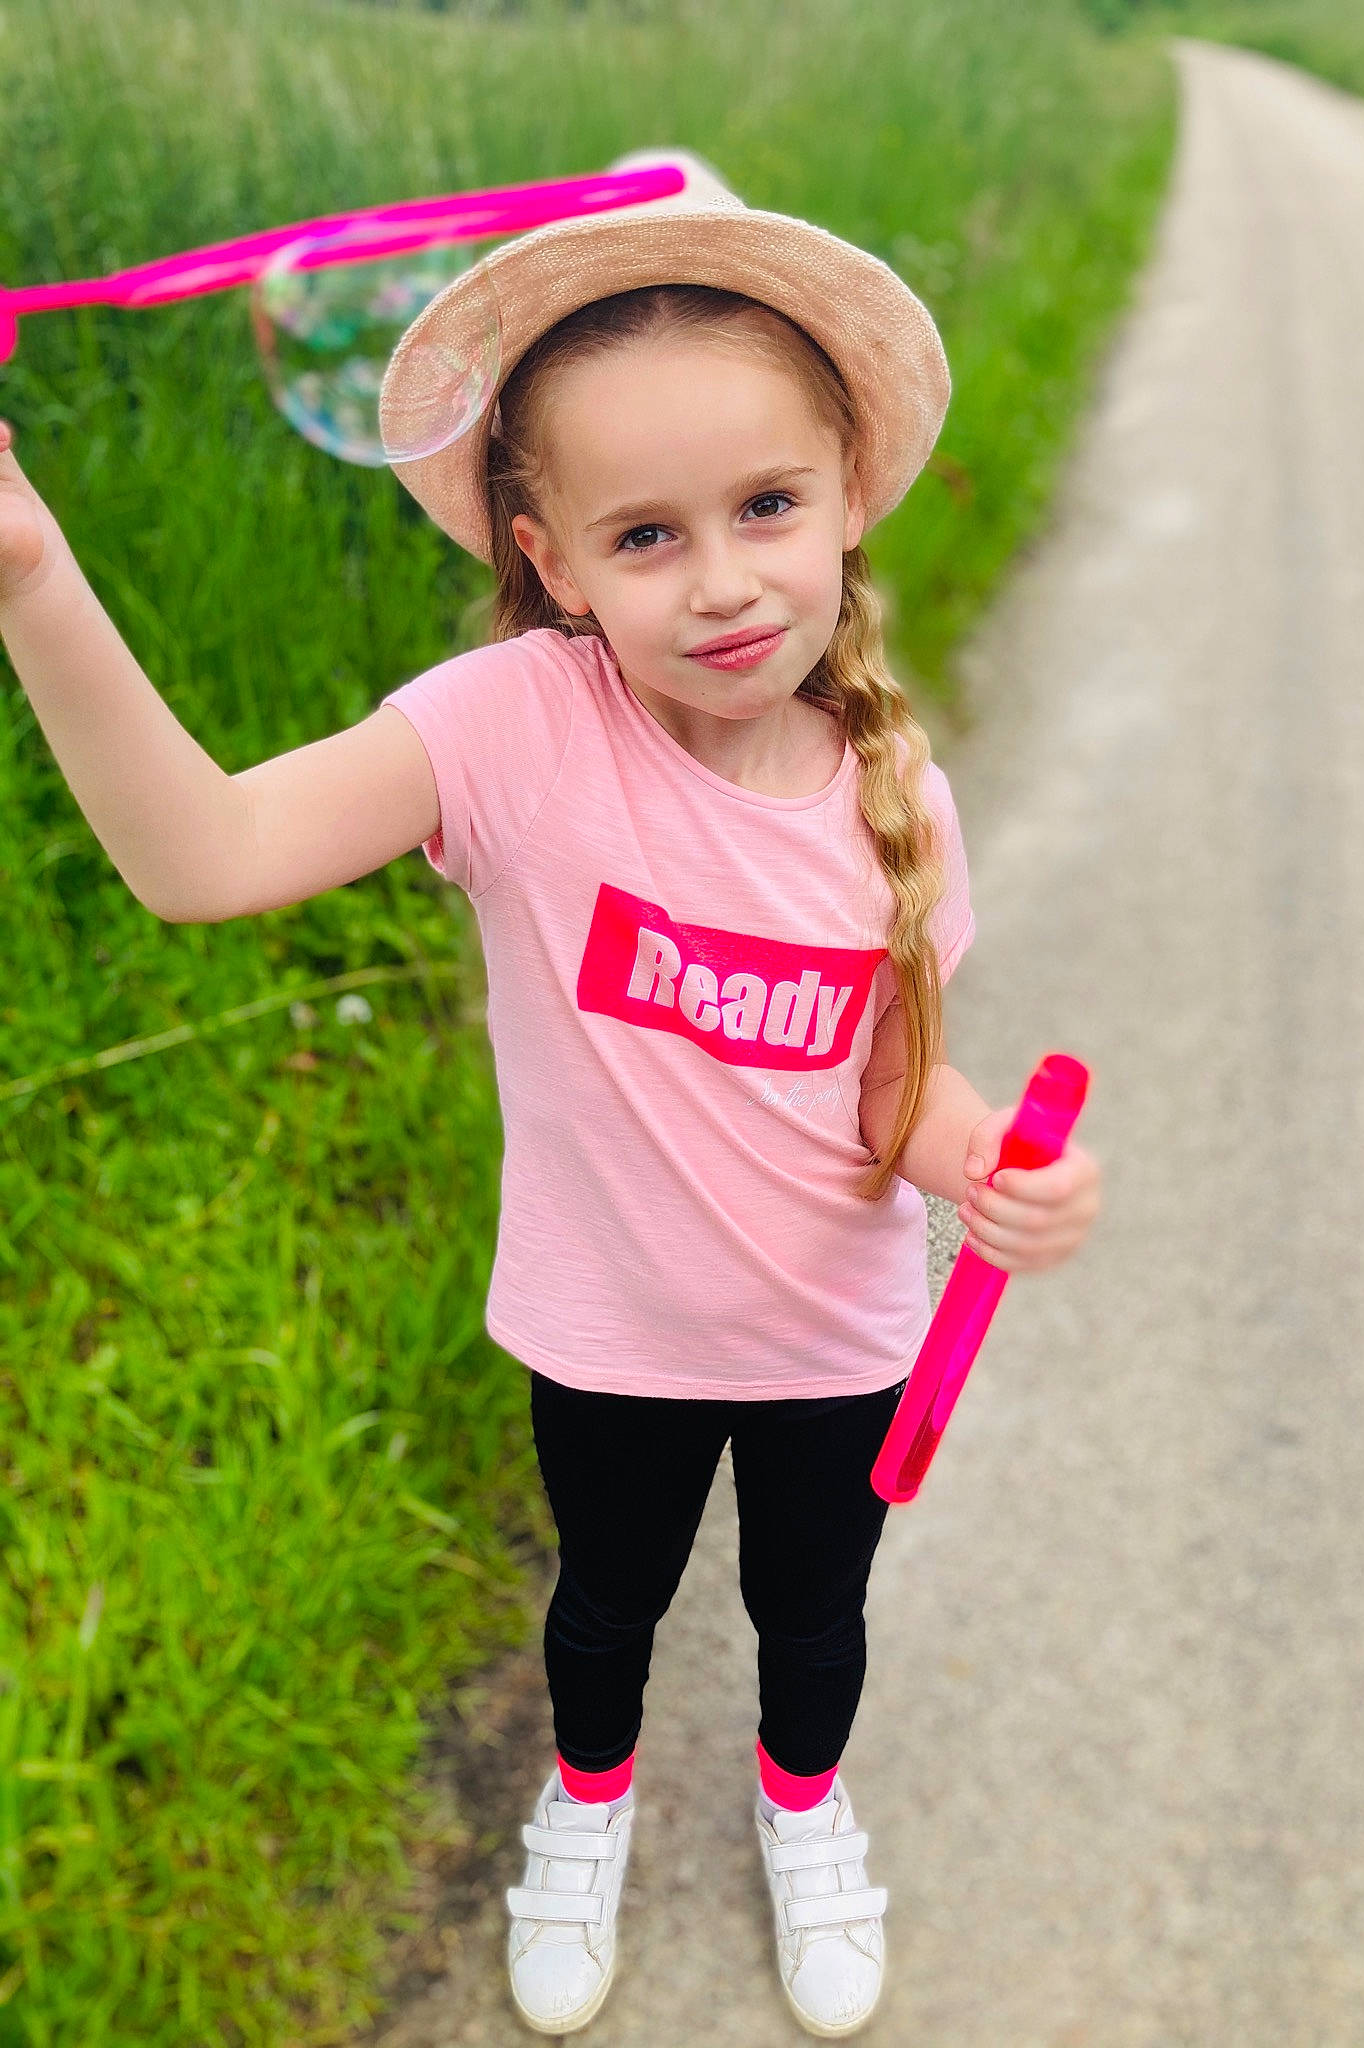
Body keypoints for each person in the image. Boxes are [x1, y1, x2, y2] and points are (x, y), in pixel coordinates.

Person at [0, 147, 1101, 2040]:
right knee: (602, 1607)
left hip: (841, 1336)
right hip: (610, 1335)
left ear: (848, 493)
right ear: (548, 553)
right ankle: (582, 1810)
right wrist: (27, 574)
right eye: (647, 534)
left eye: (767, 503)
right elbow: (202, 855)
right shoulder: (510, 733)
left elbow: (886, 1086)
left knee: (810, 1617)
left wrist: (989, 1163)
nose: (726, 579)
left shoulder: (891, 787)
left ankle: (802, 1805)